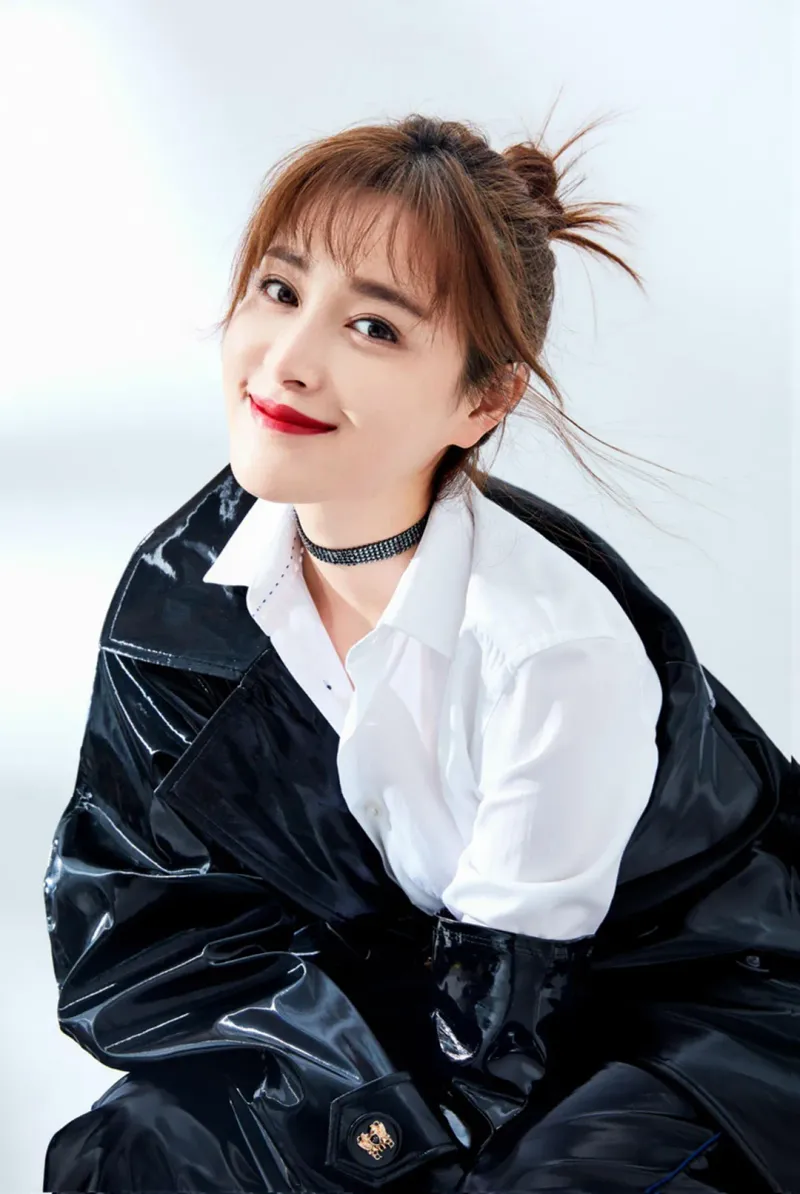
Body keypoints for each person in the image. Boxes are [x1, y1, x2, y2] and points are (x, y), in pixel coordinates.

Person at [42, 112, 798, 1194]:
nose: (287, 363)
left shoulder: (550, 649)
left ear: (484, 400)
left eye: (374, 328)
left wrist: (379, 1144)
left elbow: (496, 1042)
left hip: (681, 1015)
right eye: (279, 290)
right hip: (420, 990)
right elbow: (146, 924)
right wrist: (344, 1108)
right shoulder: (180, 594)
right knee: (138, 1144)